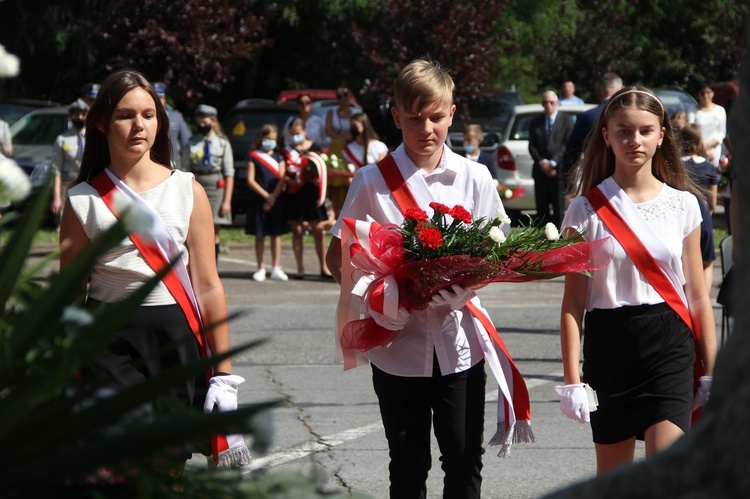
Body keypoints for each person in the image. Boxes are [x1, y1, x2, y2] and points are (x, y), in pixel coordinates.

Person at [326, 59, 516, 498]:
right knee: (409, 465)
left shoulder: (475, 177)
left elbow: (497, 251)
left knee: (464, 461)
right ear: (396, 117)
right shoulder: (372, 181)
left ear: (452, 113)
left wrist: (472, 282)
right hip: (398, 347)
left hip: (461, 343)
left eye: (436, 116)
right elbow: (340, 258)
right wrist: (386, 291)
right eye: (414, 117)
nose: (426, 128)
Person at [59, 69, 248, 470]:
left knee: (169, 465)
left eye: (148, 114)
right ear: (101, 122)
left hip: (175, 342)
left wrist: (224, 375)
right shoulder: (82, 201)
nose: (138, 125)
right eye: (126, 115)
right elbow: (70, 294)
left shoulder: (188, 189)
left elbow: (209, 286)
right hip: (109, 345)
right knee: (123, 465)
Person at [559, 86, 717, 476]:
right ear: (606, 135)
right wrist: (571, 379)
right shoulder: (583, 211)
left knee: (667, 476)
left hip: (669, 345)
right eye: (624, 130)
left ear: (661, 135)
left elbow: (697, 296)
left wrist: (712, 371)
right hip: (609, 345)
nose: (635, 140)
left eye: (646, 130)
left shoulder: (684, 205)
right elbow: (573, 304)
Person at [280, 117, 332, 280]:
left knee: (318, 230)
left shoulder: (315, 148)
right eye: (292, 134)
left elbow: (323, 169)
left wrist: (315, 176)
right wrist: (293, 179)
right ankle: (300, 269)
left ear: (305, 131)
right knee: (297, 230)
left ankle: (324, 267)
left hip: (313, 193)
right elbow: (284, 174)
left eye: (298, 133)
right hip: (295, 194)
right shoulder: (286, 151)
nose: (296, 136)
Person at [183, 105, 234, 261]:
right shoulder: (191, 142)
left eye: (205, 121)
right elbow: (184, 168)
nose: (202, 124)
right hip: (197, 183)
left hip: (216, 187)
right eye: (199, 121)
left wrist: (227, 201)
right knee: (194, 230)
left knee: (214, 230)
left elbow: (229, 173)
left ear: (213, 121)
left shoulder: (223, 143)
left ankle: (213, 267)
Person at [561, 73, 623, 184]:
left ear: (599, 91)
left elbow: (573, 152)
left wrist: (569, 182)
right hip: (627, 179)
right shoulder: (632, 116)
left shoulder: (586, 117)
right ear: (622, 89)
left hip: (596, 181)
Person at [245, 124, 289, 282]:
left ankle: (276, 267)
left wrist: (273, 196)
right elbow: (250, 180)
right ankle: (260, 267)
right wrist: (266, 196)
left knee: (276, 233)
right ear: (260, 138)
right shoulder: (253, 156)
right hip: (259, 199)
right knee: (260, 233)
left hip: (276, 199)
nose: (270, 142)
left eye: (273, 139)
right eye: (267, 138)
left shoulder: (279, 156)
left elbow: (282, 178)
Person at [680, 124, 719, 292]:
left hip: (682, 221)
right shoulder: (709, 167)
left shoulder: (677, 165)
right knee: (707, 264)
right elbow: (713, 201)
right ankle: (704, 298)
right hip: (704, 219)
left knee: (684, 264)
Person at [528, 90, 574, 227]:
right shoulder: (535, 122)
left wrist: (553, 163)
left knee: (558, 207)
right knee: (541, 206)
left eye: (551, 102)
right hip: (540, 171)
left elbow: (567, 144)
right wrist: (542, 162)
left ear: (557, 103)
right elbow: (532, 146)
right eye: (545, 102)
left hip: (558, 171)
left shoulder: (567, 121)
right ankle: (542, 237)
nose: (548, 105)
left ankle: (559, 236)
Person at [51, 99, 89, 226]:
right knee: (65, 221)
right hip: (68, 182)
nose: (79, 117)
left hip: (88, 181)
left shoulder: (92, 137)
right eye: (76, 114)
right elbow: (56, 169)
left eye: (83, 114)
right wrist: (57, 197)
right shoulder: (62, 139)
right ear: (70, 116)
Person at [325, 87, 355, 214]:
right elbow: (329, 131)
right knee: (335, 181)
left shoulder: (355, 112)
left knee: (348, 180)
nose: (343, 98)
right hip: (336, 149)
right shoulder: (331, 112)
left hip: (351, 148)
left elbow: (356, 132)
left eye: (345, 95)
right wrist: (345, 135)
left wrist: (340, 134)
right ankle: (334, 212)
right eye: (339, 96)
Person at [154, 82, 192, 168]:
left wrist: (185, 165)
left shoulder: (176, 117)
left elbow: (186, 142)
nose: (158, 101)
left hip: (173, 163)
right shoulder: (143, 118)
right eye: (154, 98)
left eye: (160, 97)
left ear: (165, 99)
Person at [694, 82, 727, 168]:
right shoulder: (693, 111)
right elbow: (692, 131)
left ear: (712, 93)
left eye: (708, 93)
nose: (705, 96)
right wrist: (704, 149)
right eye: (702, 93)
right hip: (697, 150)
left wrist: (708, 146)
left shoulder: (720, 110)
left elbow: (721, 133)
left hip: (714, 151)